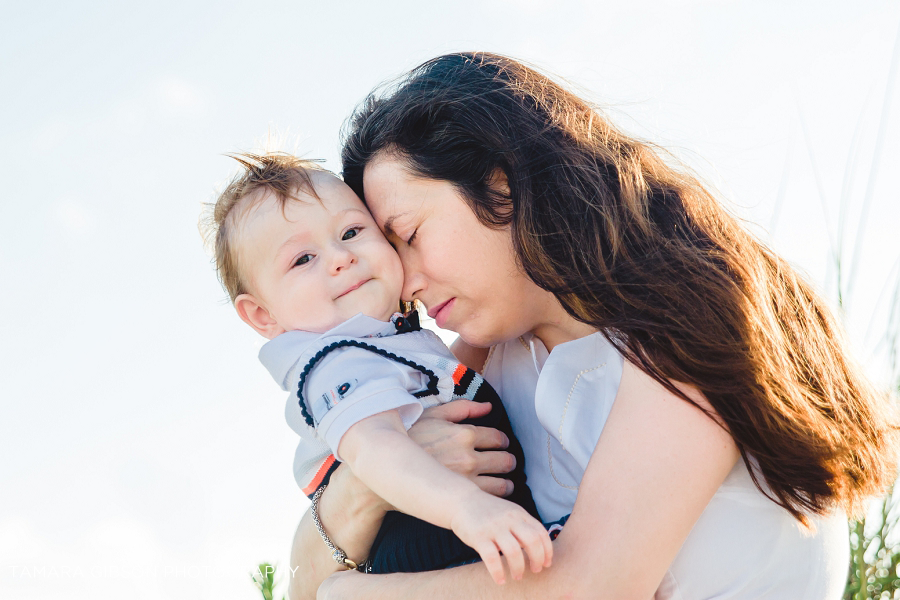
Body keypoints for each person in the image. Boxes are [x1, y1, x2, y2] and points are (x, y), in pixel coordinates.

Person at [287, 52, 900, 599]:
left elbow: (594, 585)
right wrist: (369, 485)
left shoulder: (689, 316)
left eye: (412, 236)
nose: (405, 281)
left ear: (501, 181)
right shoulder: (487, 354)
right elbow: (301, 581)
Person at [202, 153, 550, 583]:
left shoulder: (390, 345)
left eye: (351, 232)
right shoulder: (335, 361)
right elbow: (374, 449)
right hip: (434, 553)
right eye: (302, 259)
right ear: (262, 316)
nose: (340, 257)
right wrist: (469, 508)